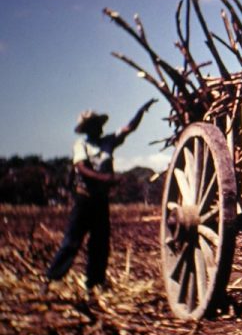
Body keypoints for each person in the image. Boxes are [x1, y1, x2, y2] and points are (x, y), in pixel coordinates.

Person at [41, 99, 157, 294]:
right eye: (97, 125)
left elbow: (129, 128)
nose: (101, 128)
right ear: (89, 128)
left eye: (100, 125)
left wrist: (141, 111)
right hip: (84, 199)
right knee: (72, 241)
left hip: (100, 201)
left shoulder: (108, 142)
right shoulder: (82, 145)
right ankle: (51, 278)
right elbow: (82, 168)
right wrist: (106, 178)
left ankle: (94, 284)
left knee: (100, 243)